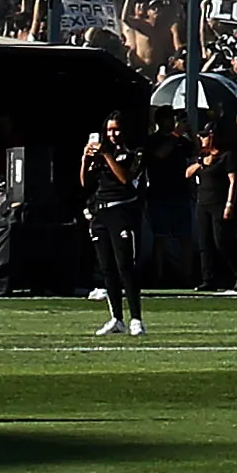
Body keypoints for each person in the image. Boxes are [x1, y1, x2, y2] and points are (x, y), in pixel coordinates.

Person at [80, 111, 151, 337]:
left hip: (122, 211)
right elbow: (85, 182)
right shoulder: (102, 154)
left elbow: (126, 179)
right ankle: (116, 318)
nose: (112, 134)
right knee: (107, 268)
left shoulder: (135, 152)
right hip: (101, 212)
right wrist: (86, 158)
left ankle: (136, 319)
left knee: (125, 266)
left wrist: (108, 156)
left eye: (116, 129)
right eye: (109, 130)